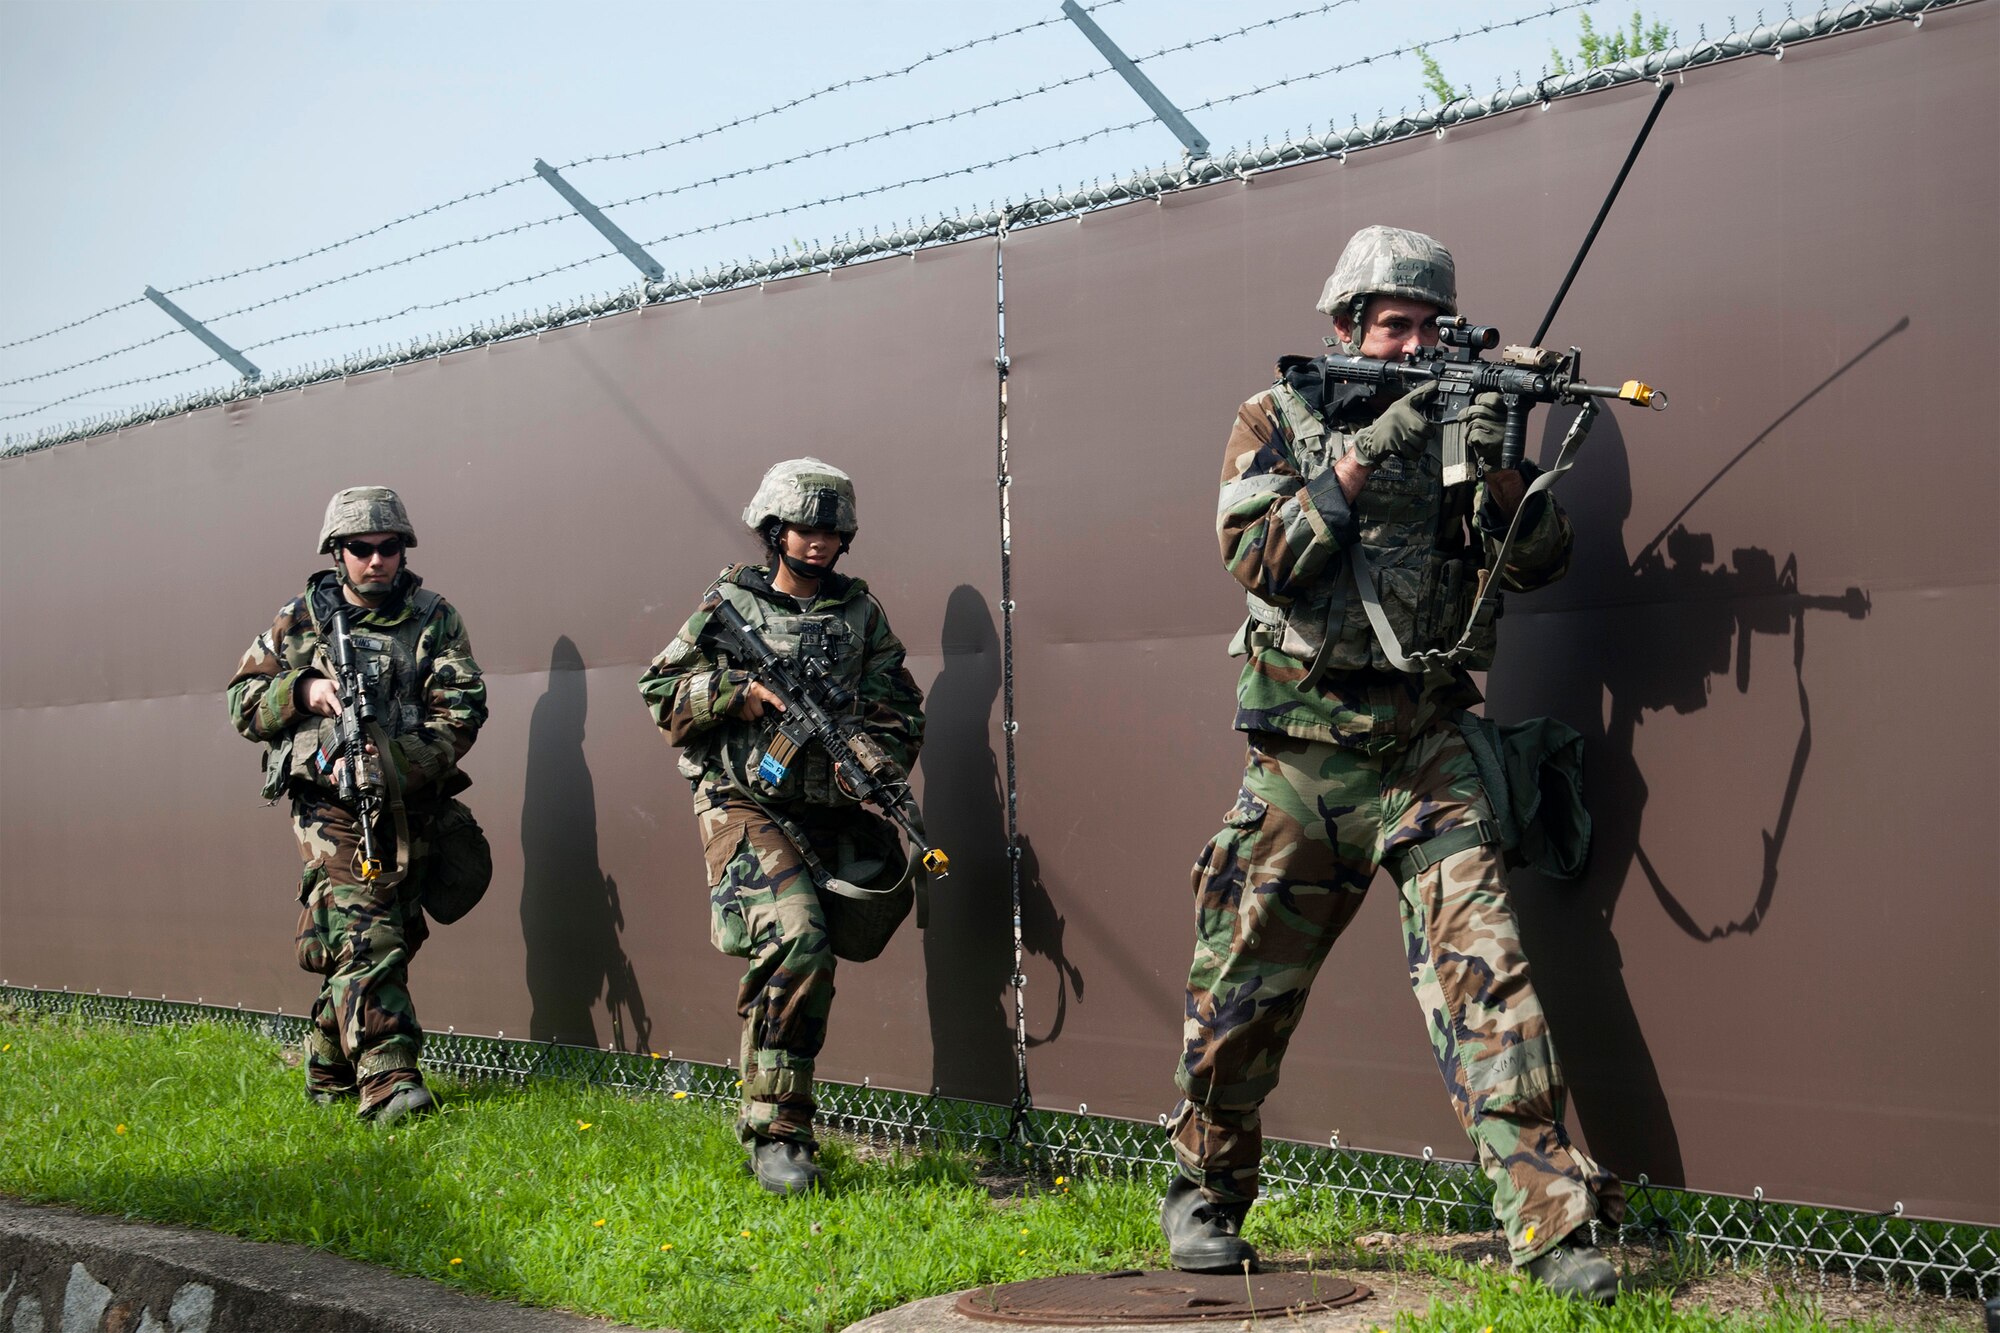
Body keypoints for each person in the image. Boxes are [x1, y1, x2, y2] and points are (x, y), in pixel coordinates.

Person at [1161, 227, 1624, 1301]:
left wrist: (1499, 460)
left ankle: (1551, 1226)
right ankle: (1204, 1188)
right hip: (1302, 760)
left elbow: (1540, 559)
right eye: (1395, 328)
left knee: (1488, 985)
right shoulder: (1274, 419)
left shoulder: (1463, 430)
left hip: (1427, 753)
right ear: (1346, 327)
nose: (1414, 346)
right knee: (1241, 990)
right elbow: (1257, 554)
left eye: (1430, 329)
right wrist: (1369, 448)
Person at [639, 458, 926, 1195]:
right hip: (742, 799)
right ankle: (778, 1131)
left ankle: (778, 1113)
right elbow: (660, 689)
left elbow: (900, 704)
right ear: (775, 530)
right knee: (795, 938)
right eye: (805, 528)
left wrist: (869, 754)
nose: (819, 542)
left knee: (823, 947)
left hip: (824, 808)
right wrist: (738, 690)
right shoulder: (728, 604)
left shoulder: (862, 614)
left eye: (833, 531)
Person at [227, 486, 489, 1126]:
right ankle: (389, 1082)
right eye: (360, 549)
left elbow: (462, 711)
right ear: (336, 552)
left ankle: (325, 1061)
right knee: (369, 936)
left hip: (408, 799)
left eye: (388, 547)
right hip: (330, 809)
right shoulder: (299, 621)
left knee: (391, 934)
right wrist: (303, 690)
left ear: (403, 550)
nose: (376, 561)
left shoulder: (434, 618)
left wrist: (392, 763)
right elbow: (241, 706)